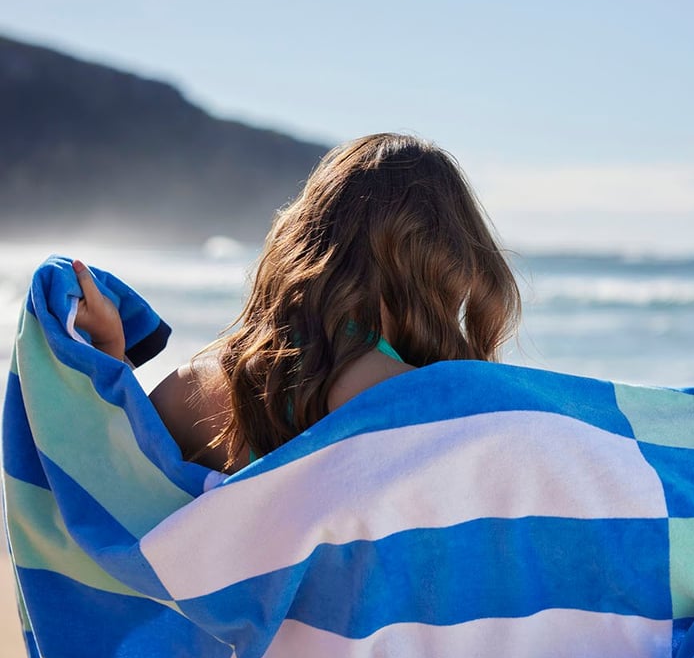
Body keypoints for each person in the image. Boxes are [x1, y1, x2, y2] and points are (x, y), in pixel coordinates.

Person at [72, 132, 521, 473]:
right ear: (444, 266)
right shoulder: (433, 401)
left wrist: (110, 355)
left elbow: (119, 480)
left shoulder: (200, 386)